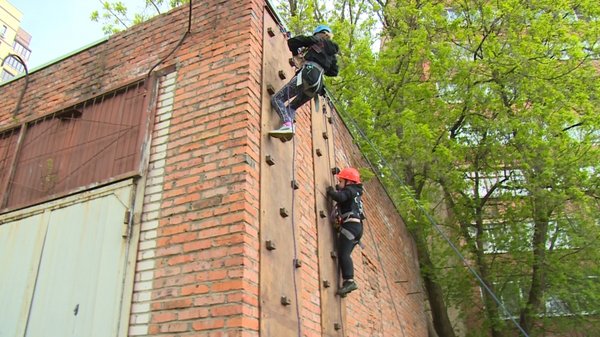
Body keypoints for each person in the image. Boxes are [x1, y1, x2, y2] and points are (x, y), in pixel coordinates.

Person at [269, 24, 340, 140]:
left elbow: (293, 42)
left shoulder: (316, 40)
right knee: (291, 107)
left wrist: (297, 54)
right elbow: (334, 71)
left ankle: (287, 125)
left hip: (307, 75)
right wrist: (321, 62)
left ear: (318, 33)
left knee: (277, 99)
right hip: (316, 86)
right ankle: (288, 126)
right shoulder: (331, 54)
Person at [326, 167, 365, 297]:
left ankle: (349, 281)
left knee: (344, 253)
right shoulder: (356, 192)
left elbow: (341, 197)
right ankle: (347, 284)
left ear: (348, 182)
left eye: (341, 181)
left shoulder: (349, 190)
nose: (340, 184)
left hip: (351, 226)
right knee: (345, 253)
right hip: (356, 227)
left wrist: (331, 191)